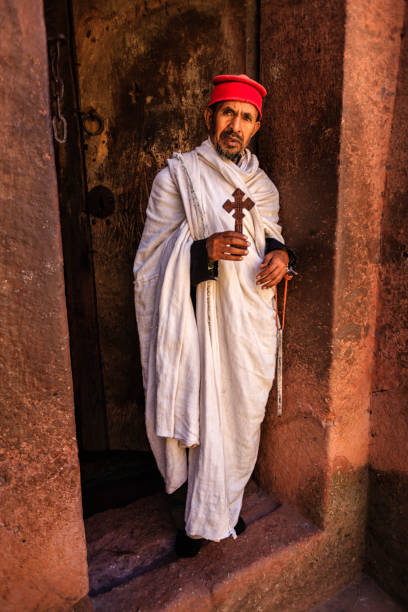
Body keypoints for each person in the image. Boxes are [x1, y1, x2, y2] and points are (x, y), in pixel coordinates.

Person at [133, 74, 295, 557]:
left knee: (243, 415)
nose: (235, 125)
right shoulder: (177, 178)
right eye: (227, 113)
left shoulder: (262, 186)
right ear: (209, 117)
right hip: (198, 321)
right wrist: (202, 249)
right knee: (205, 409)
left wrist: (282, 256)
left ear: (256, 127)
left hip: (248, 321)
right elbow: (148, 264)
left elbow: (273, 234)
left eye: (245, 118)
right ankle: (200, 519)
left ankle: (223, 505)